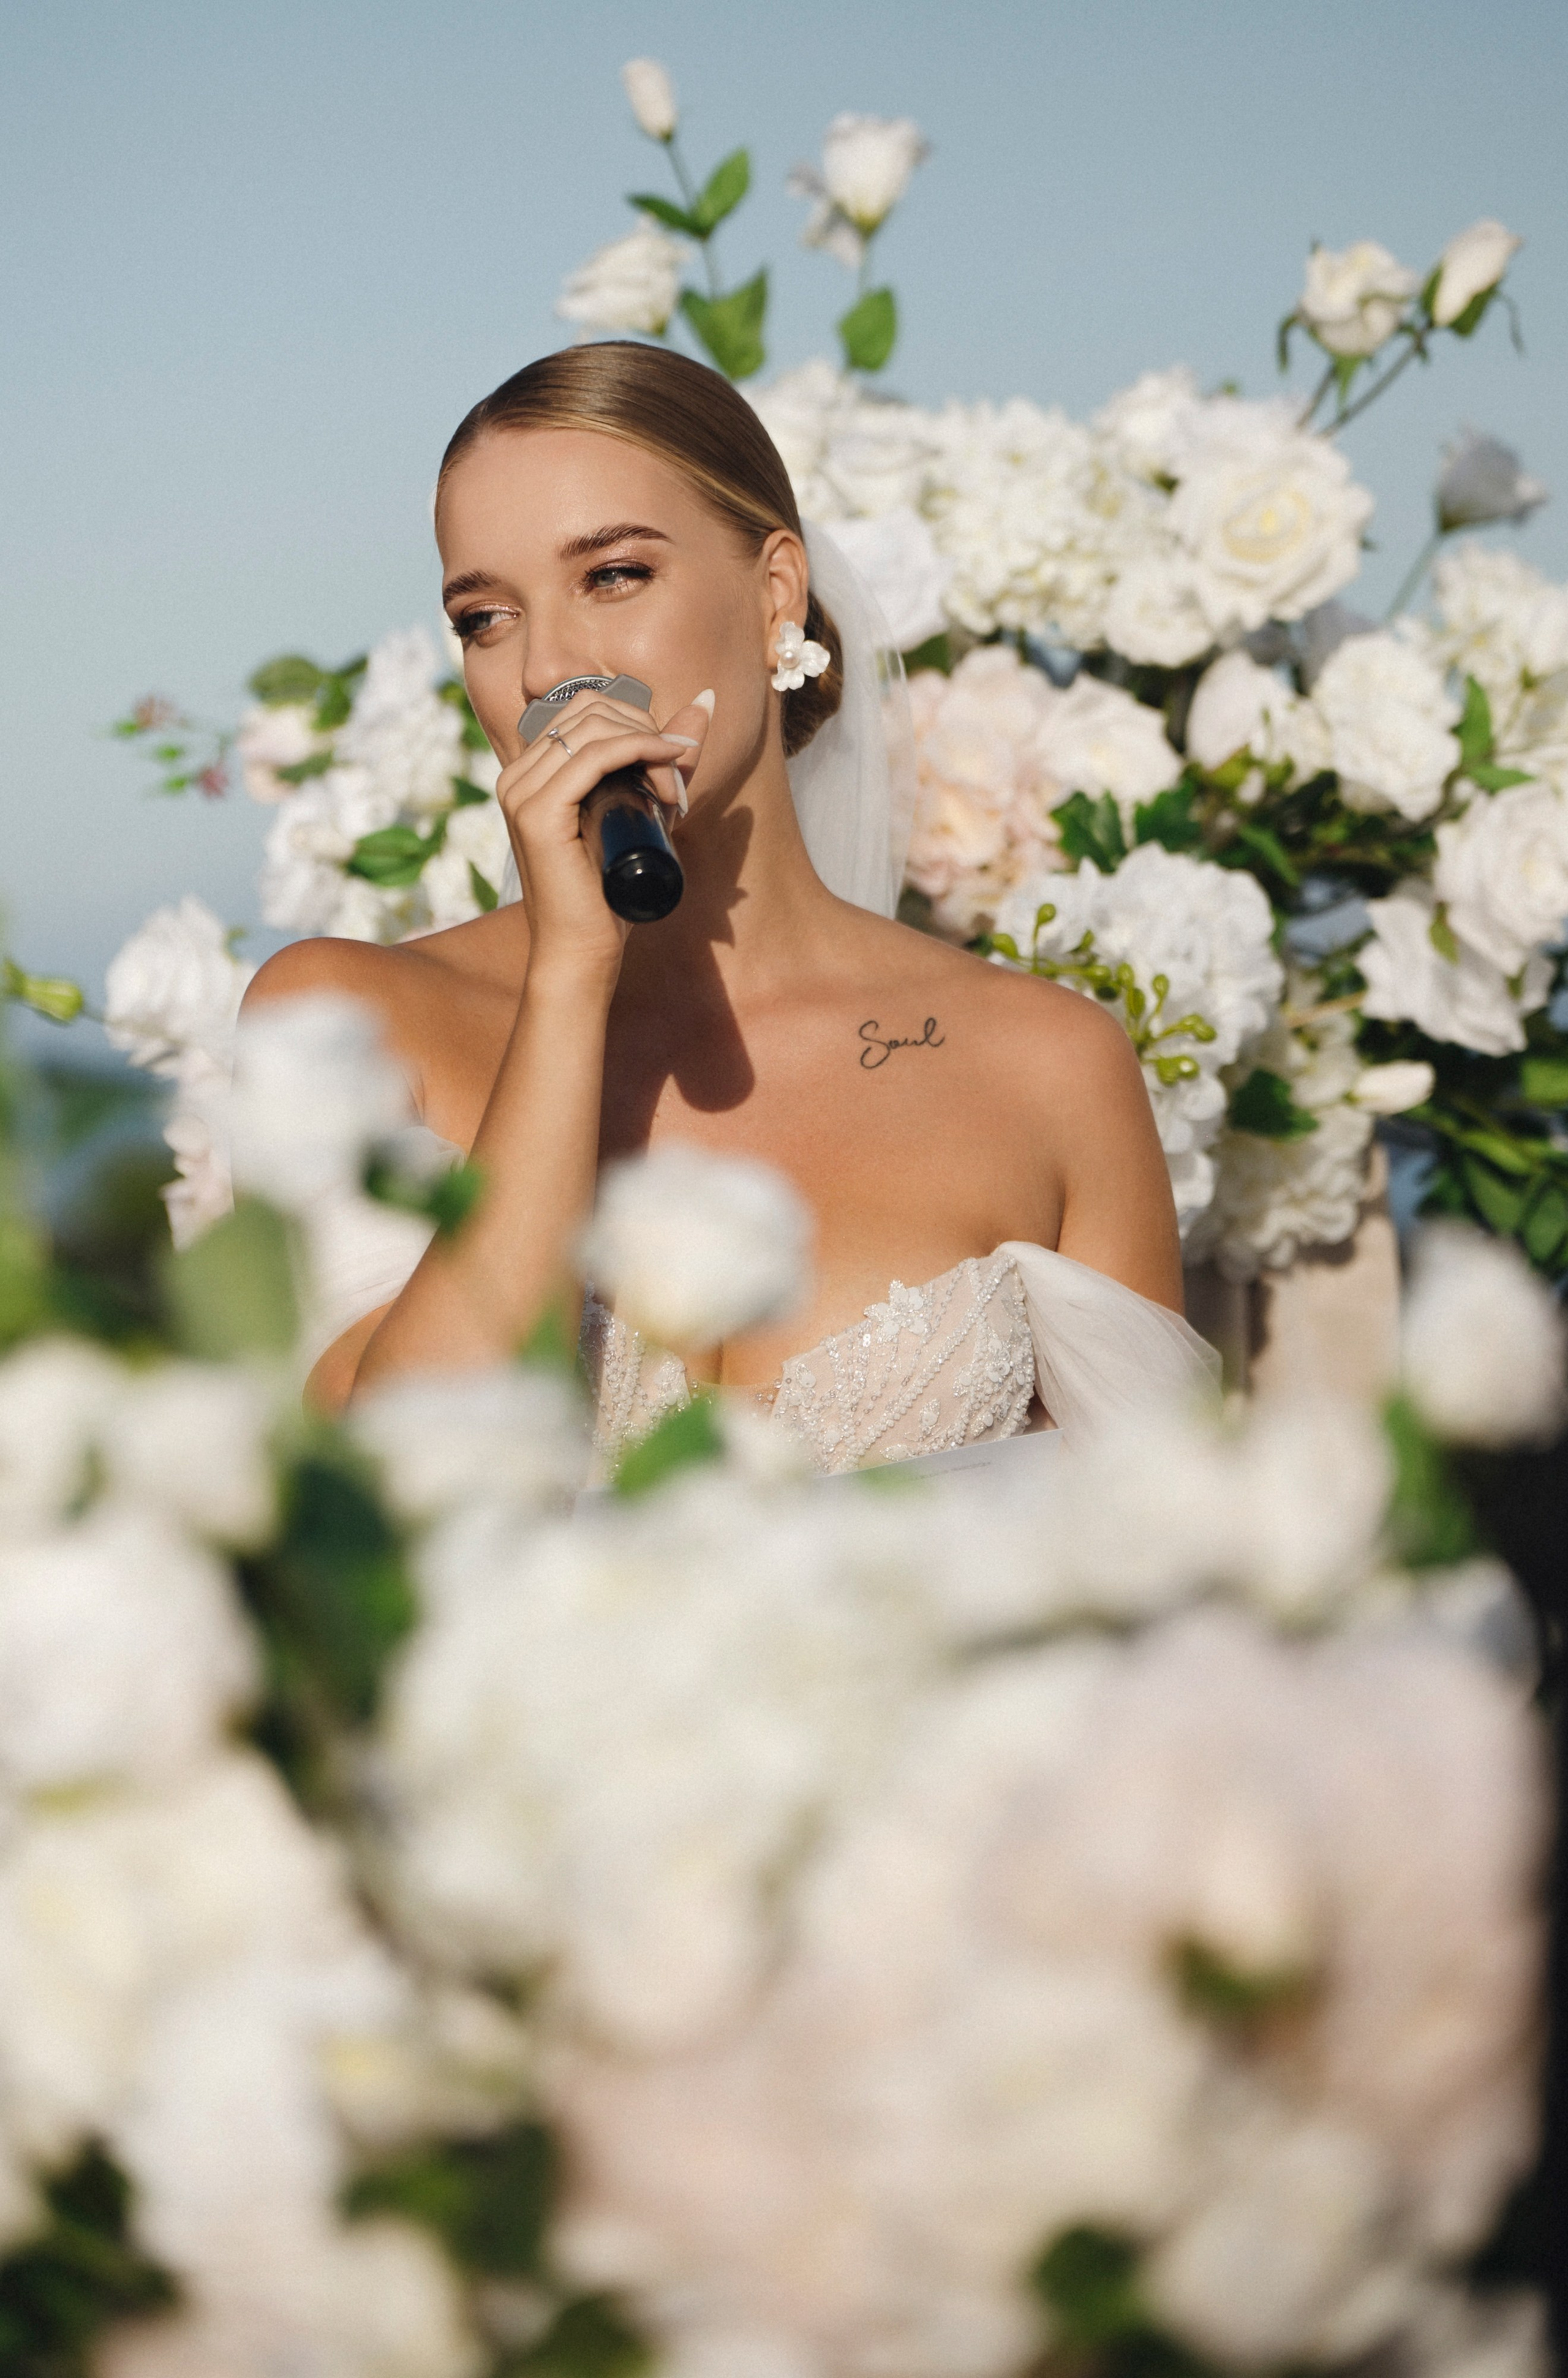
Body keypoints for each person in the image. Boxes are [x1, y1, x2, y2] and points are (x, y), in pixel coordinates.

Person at [244, 342, 1215, 1470]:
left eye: (612, 575)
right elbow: (399, 1498)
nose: (550, 666)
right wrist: (570, 976)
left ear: (775, 596)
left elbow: (1170, 1560)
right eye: (485, 618)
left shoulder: (1053, 1064)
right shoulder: (341, 1020)